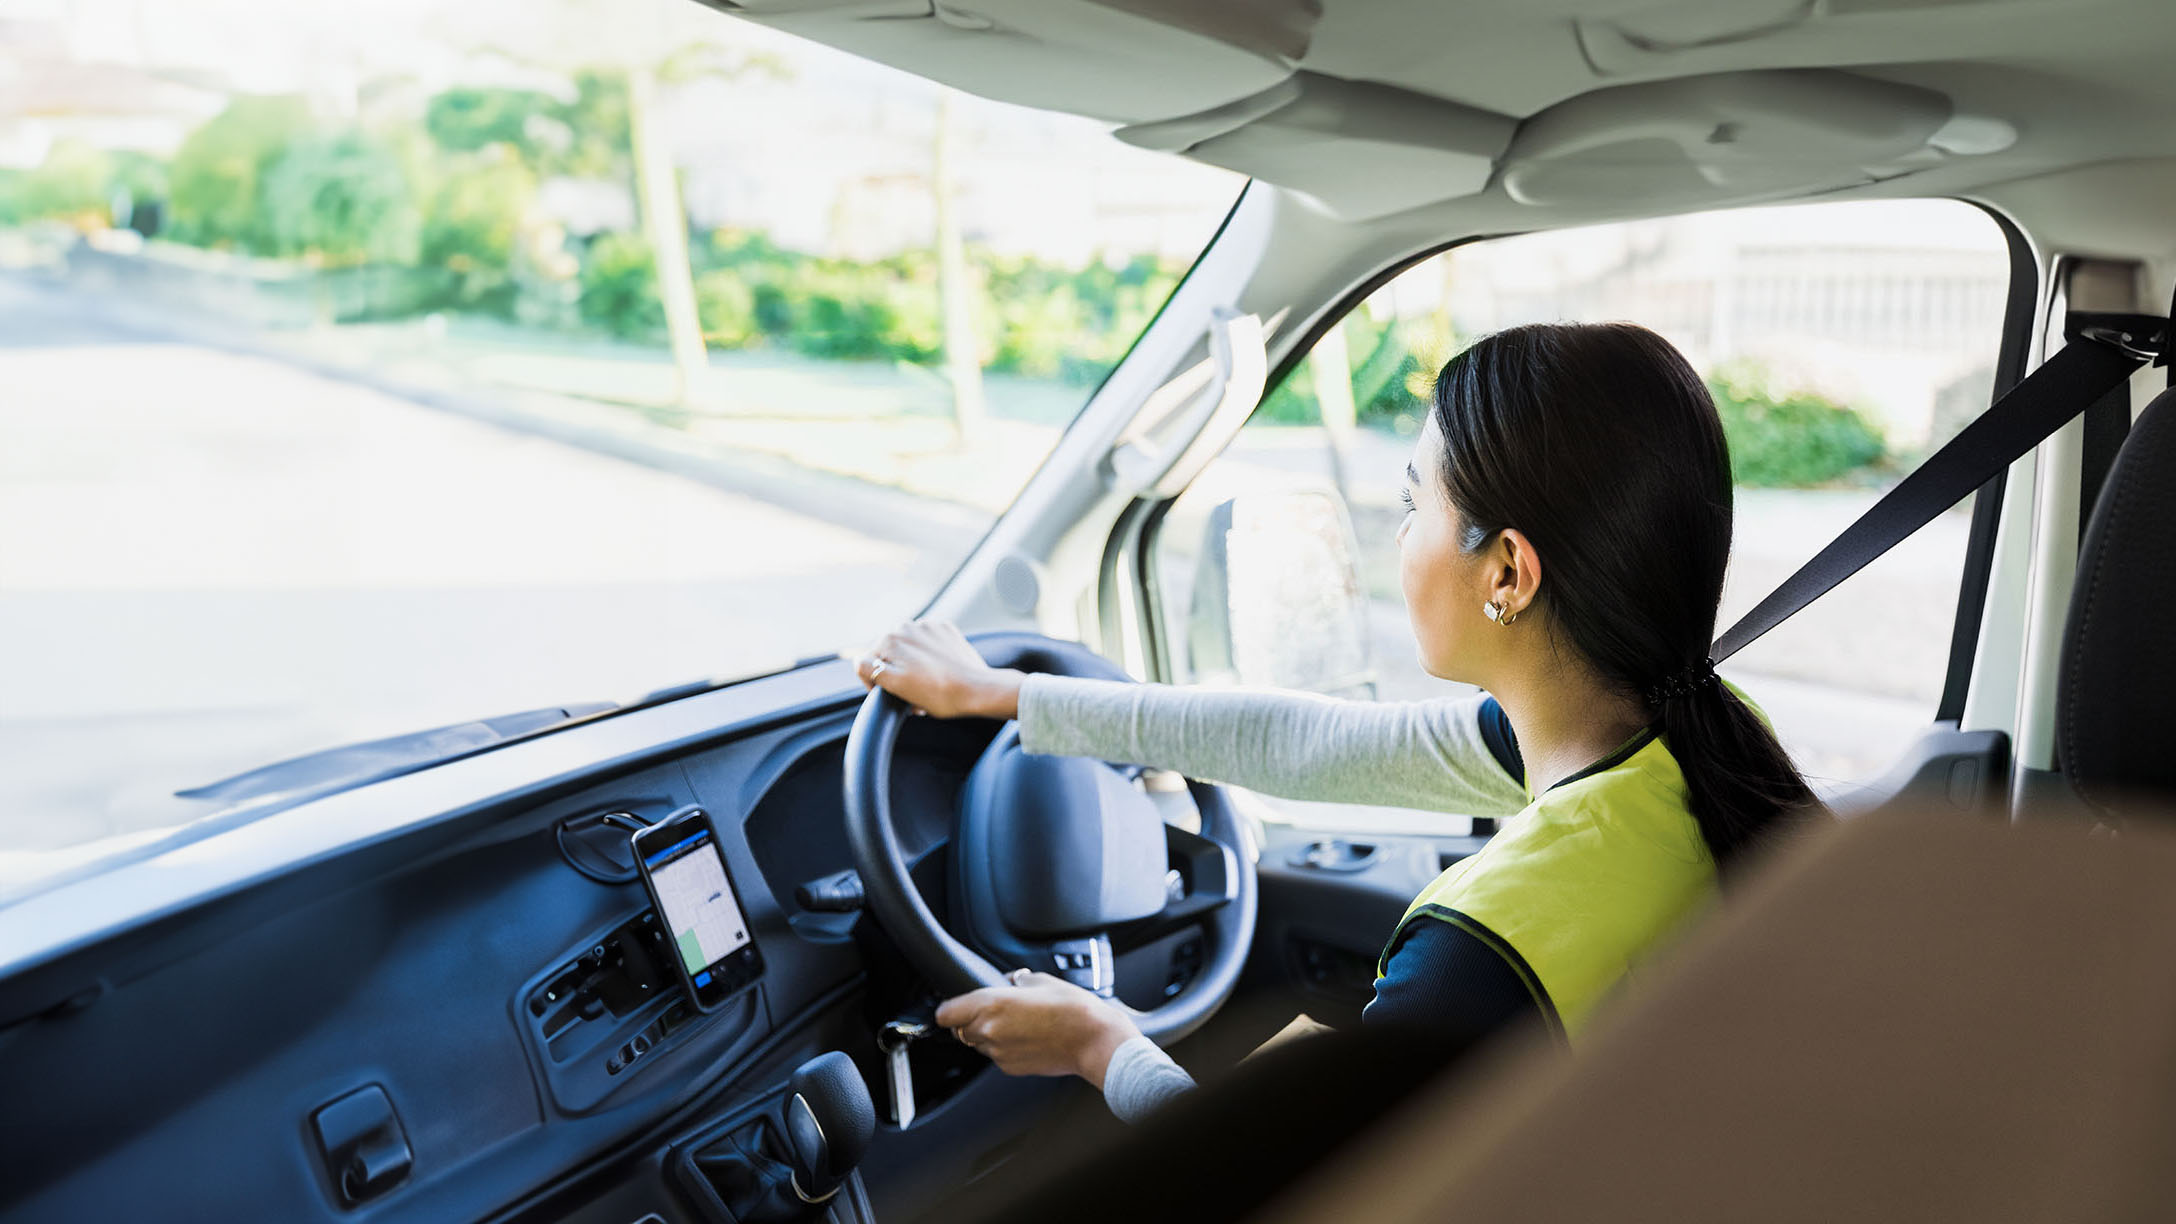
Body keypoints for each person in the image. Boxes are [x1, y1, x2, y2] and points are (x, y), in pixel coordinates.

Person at [856, 321, 1822, 1122]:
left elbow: (1278, 1194)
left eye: (1414, 505)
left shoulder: (1483, 952)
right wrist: (1009, 696)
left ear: (1509, 573)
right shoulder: (1702, 737)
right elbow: (1309, 743)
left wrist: (1101, 1045)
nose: (1399, 538)